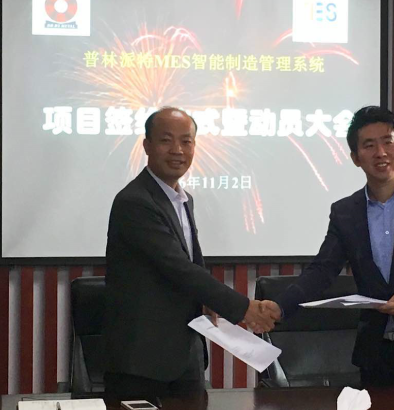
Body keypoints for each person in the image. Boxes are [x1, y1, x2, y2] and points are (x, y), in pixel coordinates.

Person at [264, 106, 394, 388]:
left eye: (388, 142)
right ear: (355, 158)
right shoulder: (345, 212)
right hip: (376, 353)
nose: (381, 152)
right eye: (369, 145)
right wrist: (279, 306)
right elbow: (322, 271)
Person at [103, 107, 276, 401]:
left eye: (186, 141)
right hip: (142, 362)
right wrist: (244, 308)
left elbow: (190, 263)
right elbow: (177, 268)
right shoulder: (135, 201)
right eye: (166, 140)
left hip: (185, 357)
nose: (177, 150)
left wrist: (208, 299)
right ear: (147, 145)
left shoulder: (183, 199)